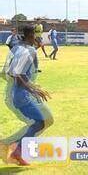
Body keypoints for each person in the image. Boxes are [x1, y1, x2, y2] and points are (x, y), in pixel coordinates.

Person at [0, 25, 53, 165]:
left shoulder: (17, 47)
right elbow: (17, 74)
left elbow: (5, 73)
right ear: (32, 36)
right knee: (39, 122)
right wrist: (33, 88)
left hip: (20, 92)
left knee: (46, 120)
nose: (40, 39)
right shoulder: (27, 51)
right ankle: (9, 147)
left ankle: (17, 150)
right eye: (38, 35)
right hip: (20, 94)